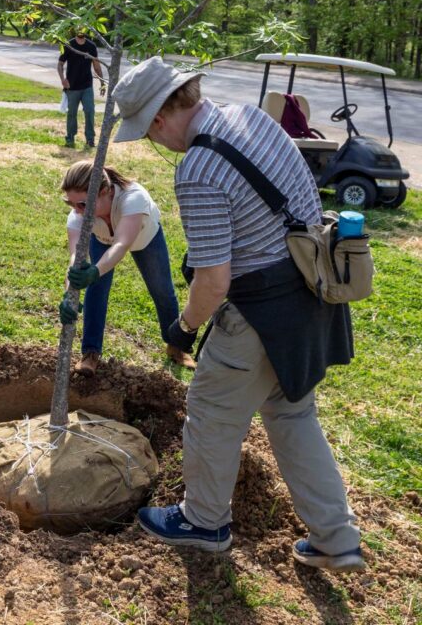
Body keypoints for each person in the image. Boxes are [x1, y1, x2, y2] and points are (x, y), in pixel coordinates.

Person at [113, 56, 364, 572]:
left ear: (159, 119)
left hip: (256, 313)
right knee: (294, 414)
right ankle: (336, 539)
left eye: (149, 133)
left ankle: (203, 522)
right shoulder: (252, 118)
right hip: (309, 293)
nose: (156, 144)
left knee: (210, 417)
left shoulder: (199, 169)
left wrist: (183, 328)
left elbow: (213, 281)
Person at [59, 160, 194, 375]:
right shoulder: (78, 216)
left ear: (104, 191)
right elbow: (75, 258)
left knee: (162, 290)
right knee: (96, 291)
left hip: (144, 239)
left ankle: (176, 347)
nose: (77, 211)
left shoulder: (133, 199)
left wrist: (94, 271)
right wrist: (68, 293)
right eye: (71, 204)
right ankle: (90, 353)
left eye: (83, 204)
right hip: (103, 241)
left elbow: (122, 244)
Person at [57, 30, 104, 149]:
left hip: (87, 86)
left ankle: (90, 139)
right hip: (71, 87)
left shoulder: (91, 46)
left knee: (89, 111)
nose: (80, 31)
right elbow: (60, 64)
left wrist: (102, 82)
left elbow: (96, 65)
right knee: (72, 114)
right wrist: (63, 79)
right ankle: (70, 138)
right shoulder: (68, 44)